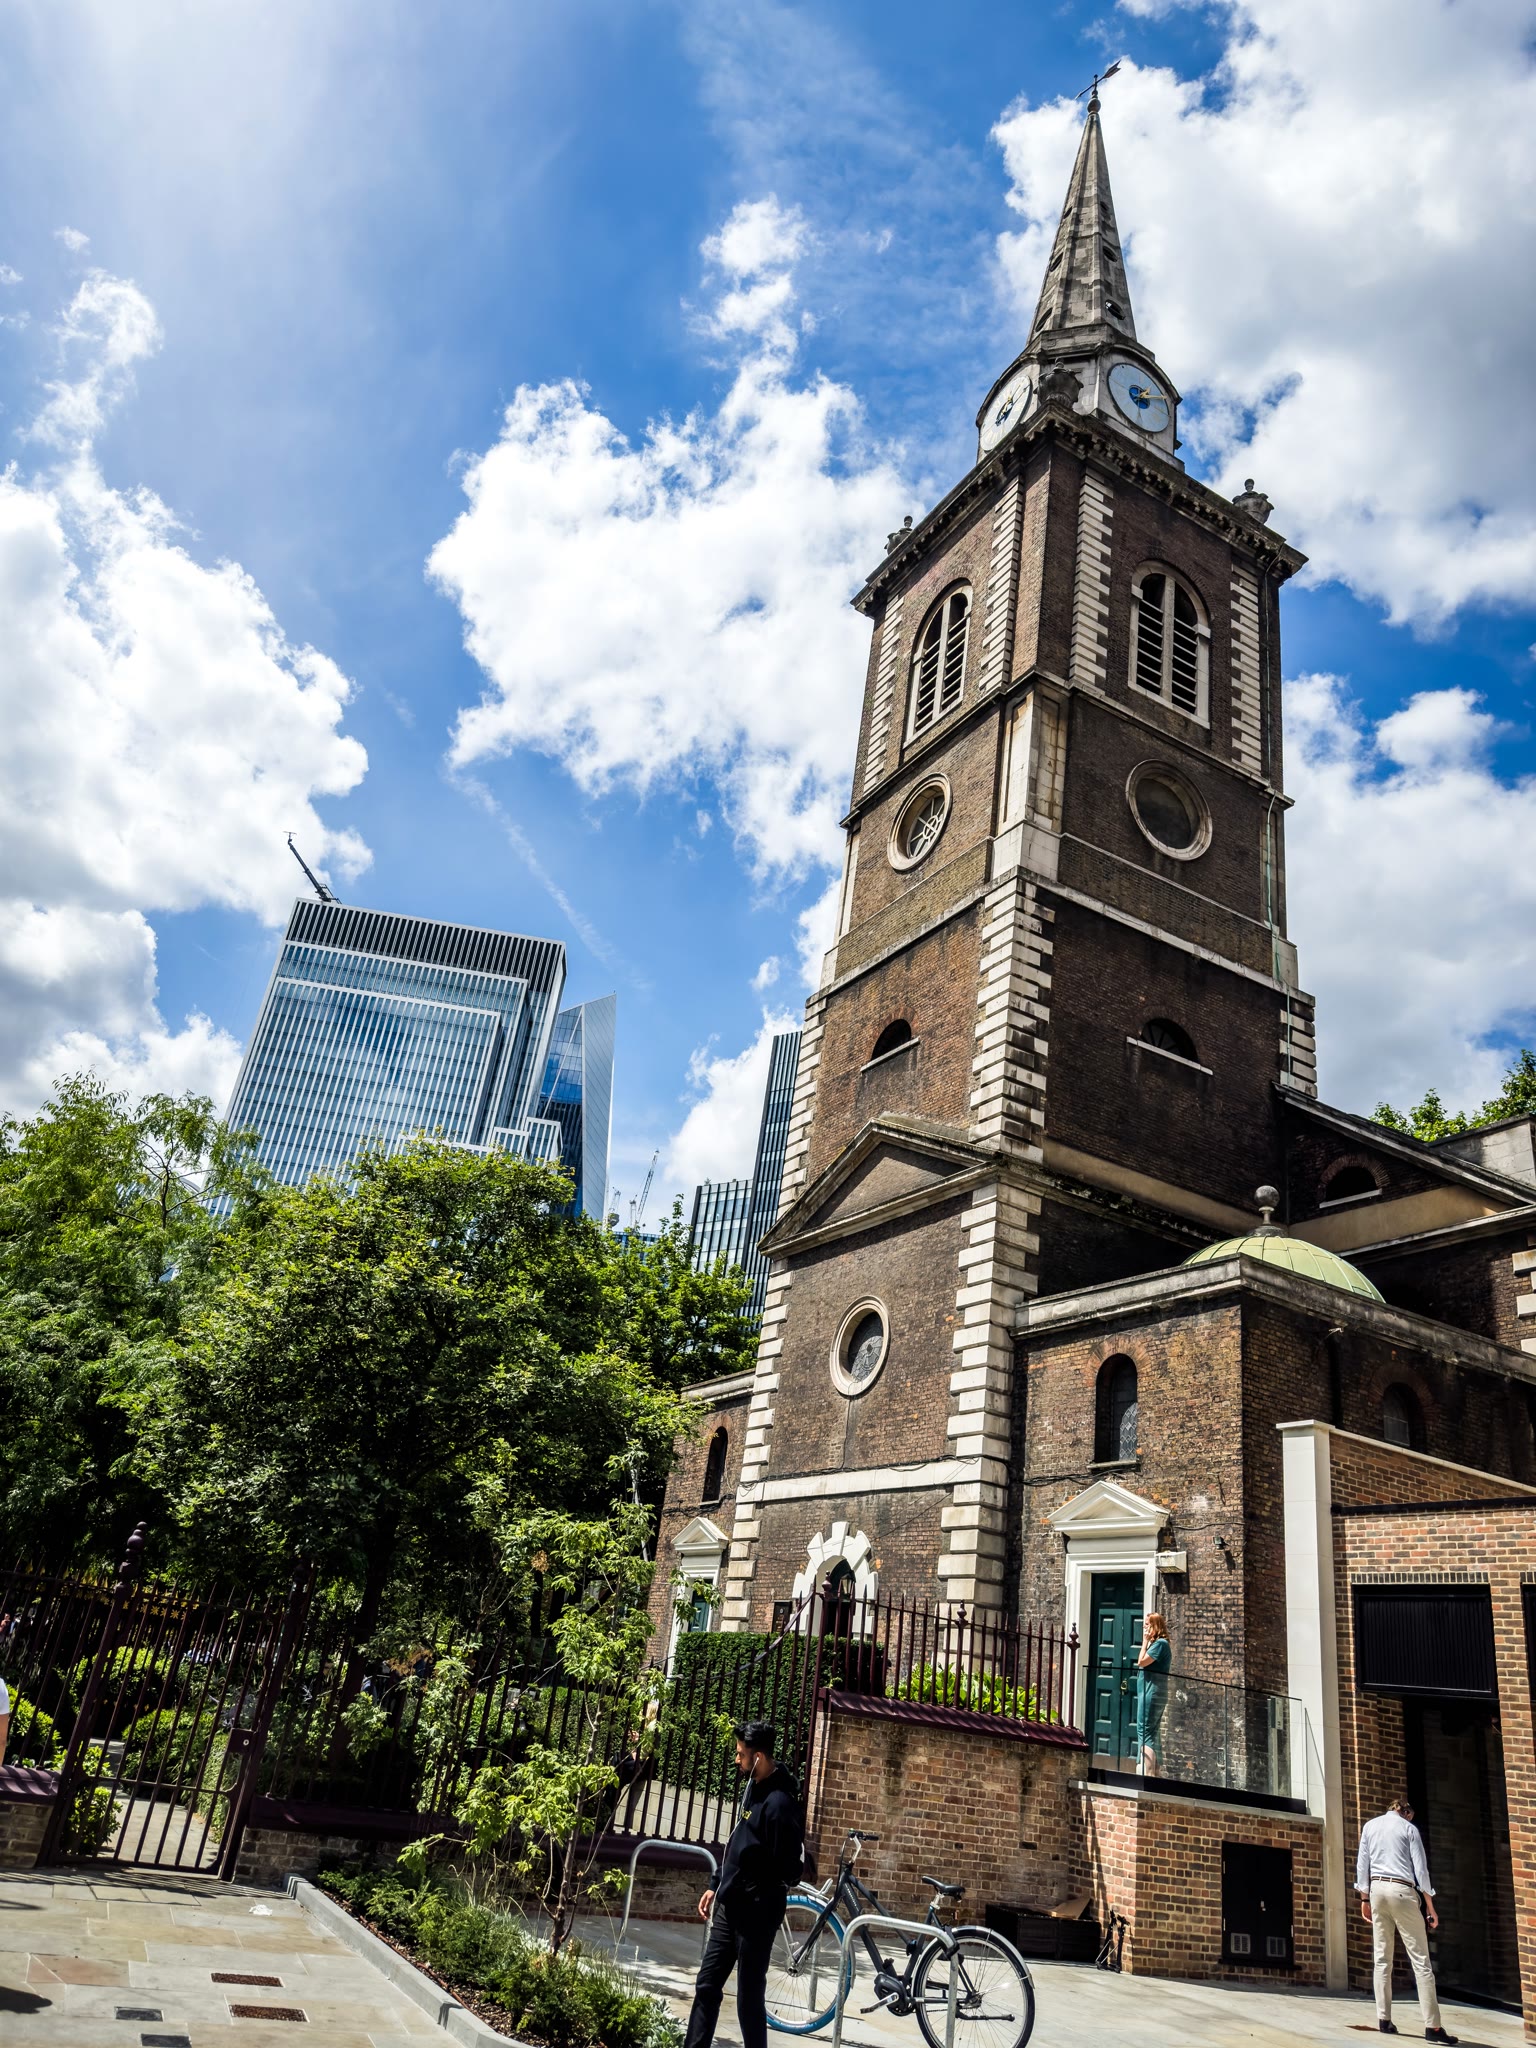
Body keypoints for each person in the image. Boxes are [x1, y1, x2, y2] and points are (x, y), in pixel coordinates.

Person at [683, 1719, 803, 2048]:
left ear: (758, 1757)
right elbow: (738, 1843)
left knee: (748, 1998)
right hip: (730, 1907)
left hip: (757, 1915)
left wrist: (756, 1878)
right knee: (707, 1985)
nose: (737, 1759)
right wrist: (717, 1882)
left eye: (741, 1754)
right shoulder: (752, 1786)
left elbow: (791, 1869)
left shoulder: (781, 1805)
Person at [1355, 1796, 1457, 2043]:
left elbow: (1362, 1864)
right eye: (1410, 1814)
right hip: (1402, 1890)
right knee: (1421, 1961)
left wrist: (1364, 1898)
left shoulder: (1370, 1826)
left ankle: (1384, 2019)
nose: (1411, 1818)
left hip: (1377, 1890)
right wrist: (1430, 1906)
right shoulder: (1409, 1829)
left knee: (1382, 1958)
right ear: (1404, 1811)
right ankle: (1433, 2027)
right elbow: (1421, 1870)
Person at [1133, 1612, 1171, 1773]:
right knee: (1152, 1733)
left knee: (1145, 1730)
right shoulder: (1160, 1644)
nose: (1144, 1627)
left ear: (1155, 1626)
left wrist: (1144, 1642)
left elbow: (1141, 1662)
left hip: (1151, 1692)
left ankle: (1146, 1773)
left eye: (1147, 1624)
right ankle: (1154, 1771)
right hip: (1152, 1692)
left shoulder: (1160, 1644)